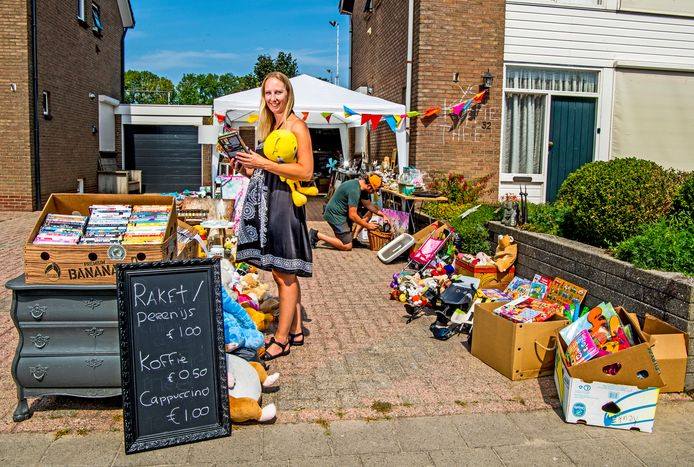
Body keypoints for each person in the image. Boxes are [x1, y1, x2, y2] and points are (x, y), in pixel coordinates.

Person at [234, 71, 313, 361]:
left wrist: (263, 163)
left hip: (283, 204)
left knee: (284, 273)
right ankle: (297, 329)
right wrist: (246, 165)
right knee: (282, 272)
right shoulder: (271, 126)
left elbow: (306, 171)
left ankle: (281, 340)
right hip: (268, 202)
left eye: (278, 93)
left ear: (288, 93)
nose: (273, 99)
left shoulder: (297, 126)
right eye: (268, 94)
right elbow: (262, 170)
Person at [309, 173, 388, 251]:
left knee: (368, 212)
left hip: (343, 214)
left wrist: (383, 215)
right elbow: (352, 215)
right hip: (335, 215)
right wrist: (367, 225)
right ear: (369, 186)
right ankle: (316, 235)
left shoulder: (362, 188)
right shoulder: (354, 190)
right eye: (374, 190)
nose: (373, 193)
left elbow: (368, 205)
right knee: (347, 246)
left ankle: (353, 238)